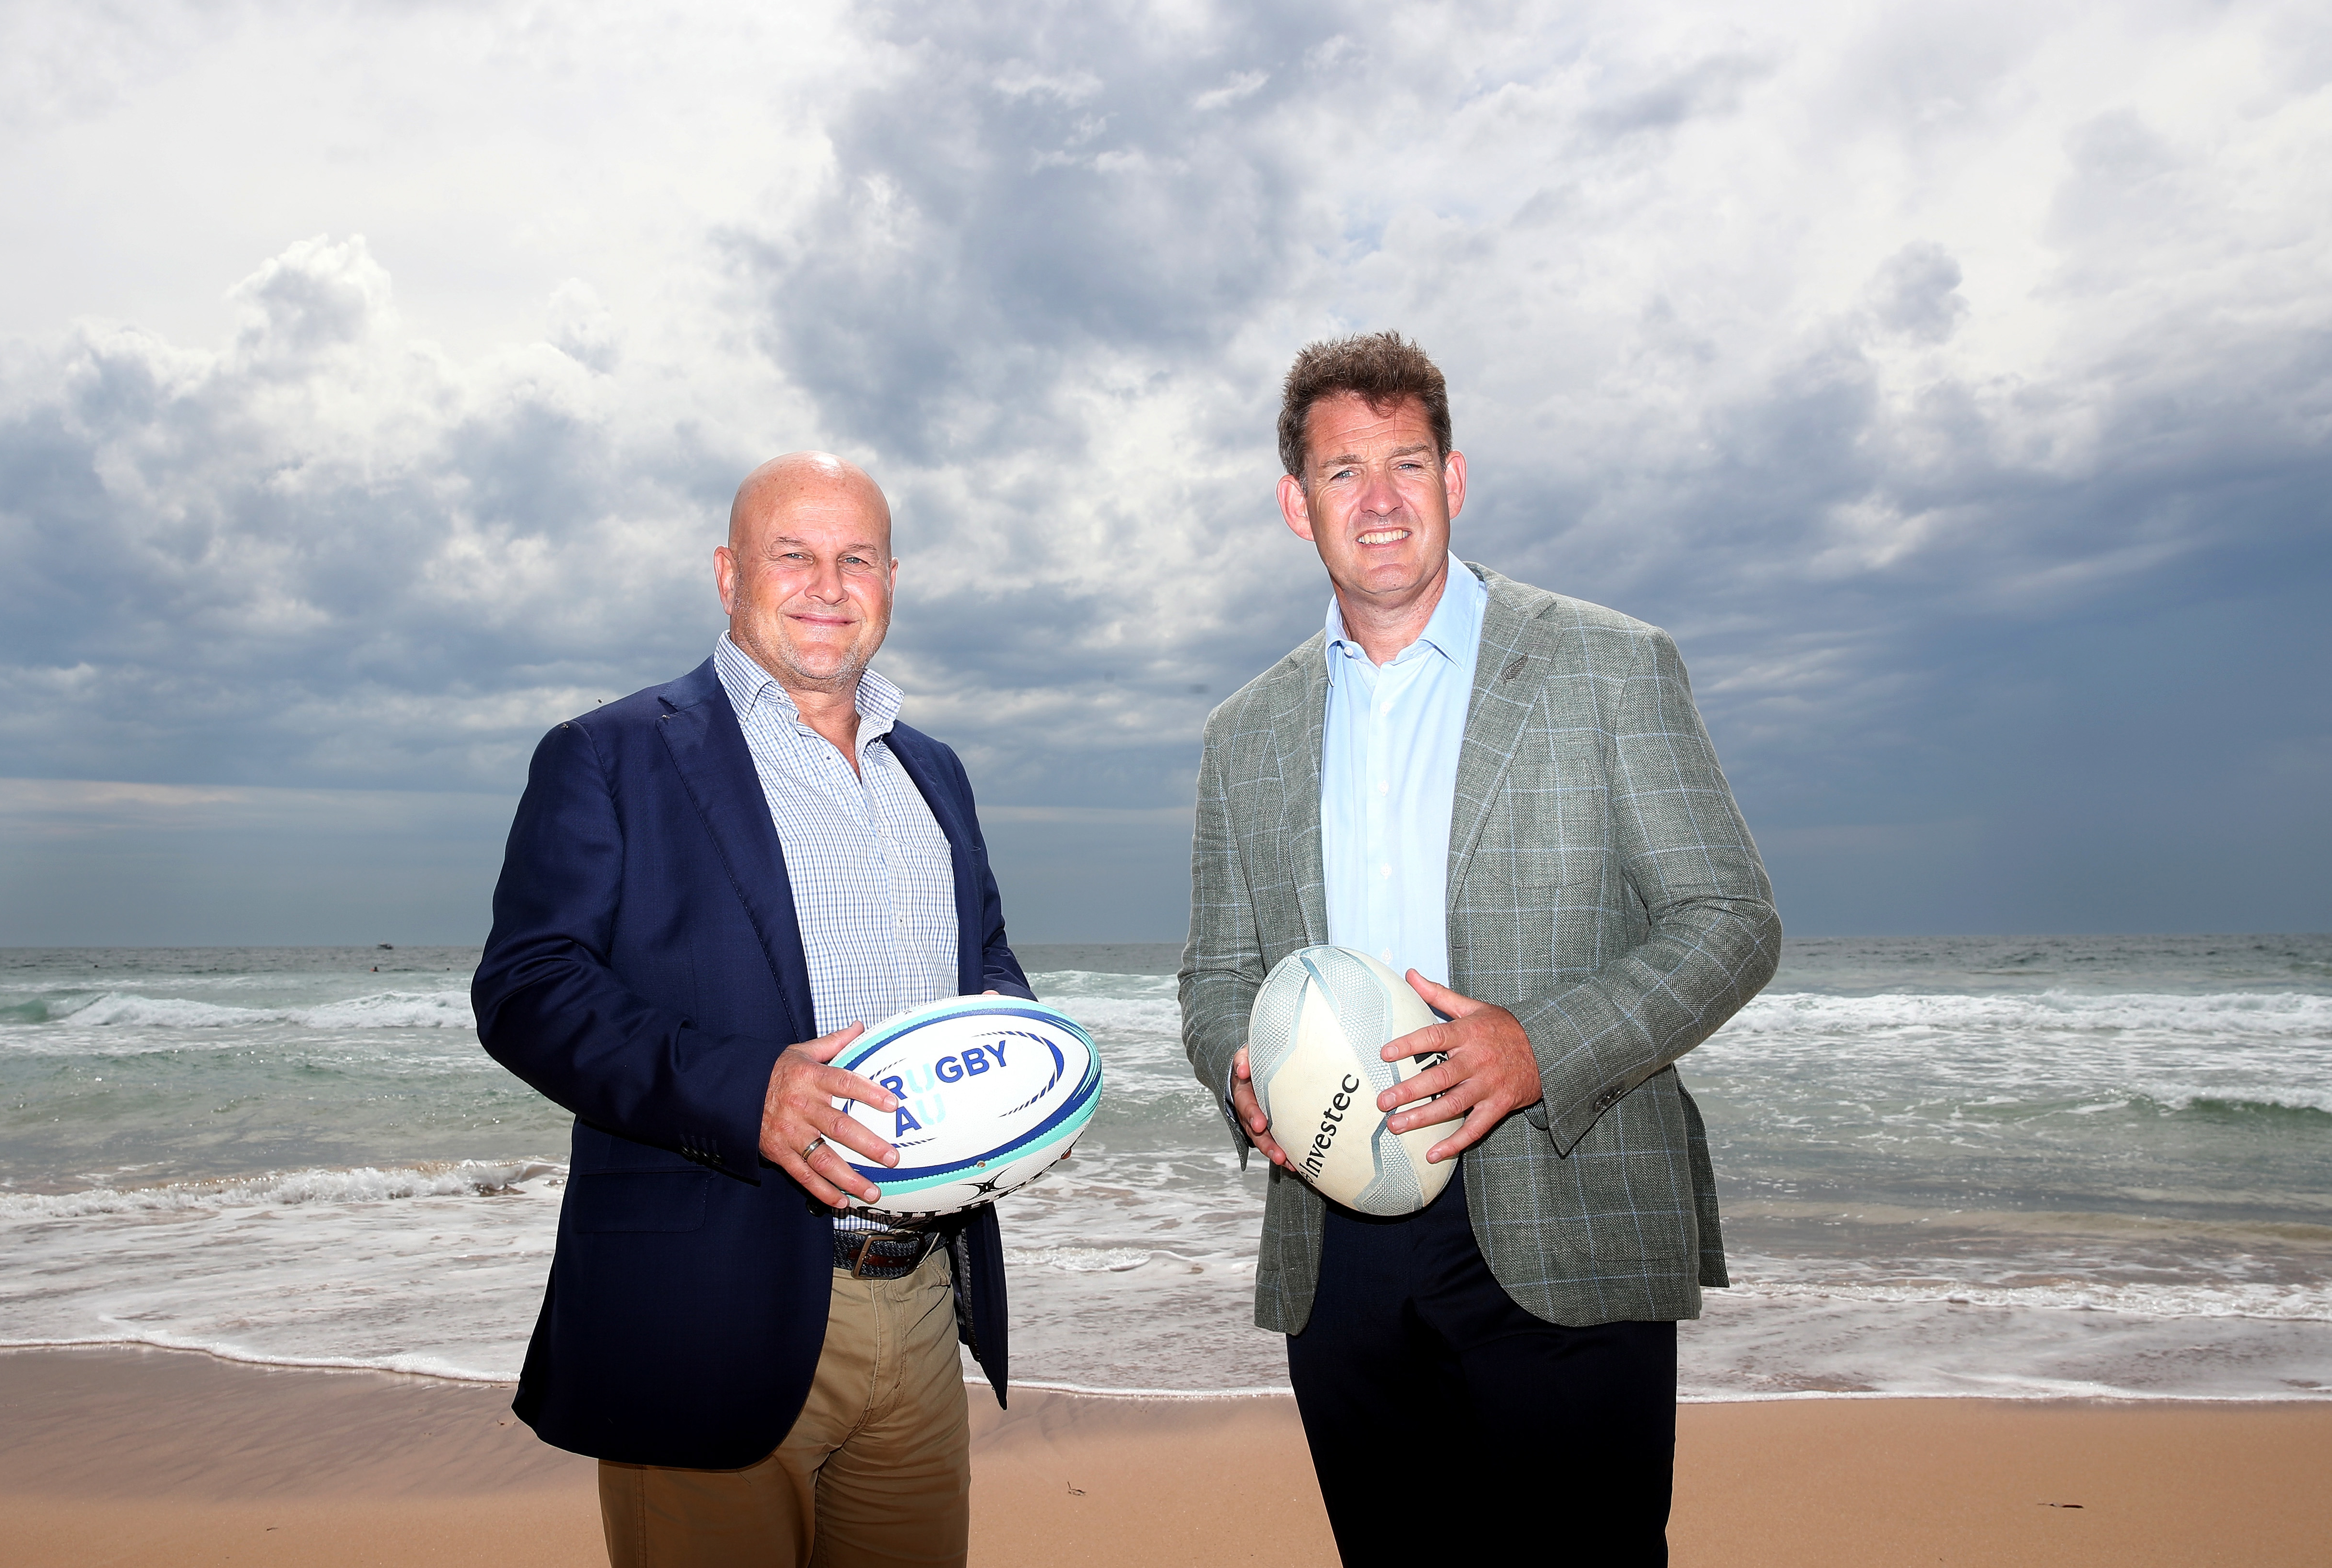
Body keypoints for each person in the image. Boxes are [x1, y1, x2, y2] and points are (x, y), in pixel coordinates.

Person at [1179, 333, 1779, 1565]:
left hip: (1564, 1211)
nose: (1380, 501)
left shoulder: (1608, 664)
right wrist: (1241, 1067)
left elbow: (1729, 919)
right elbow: (1216, 974)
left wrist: (1537, 1048)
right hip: (1336, 1237)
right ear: (1297, 505)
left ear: (1454, 478)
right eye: (1343, 472)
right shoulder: (1244, 732)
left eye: (1407, 463)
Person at [474, 453, 1029, 1568]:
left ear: (891, 581)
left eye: (856, 558)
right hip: (703, 1312)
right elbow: (527, 987)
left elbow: (987, 967)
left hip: (923, 1305)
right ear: (729, 574)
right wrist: (747, 1090)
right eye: (793, 555)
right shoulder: (609, 755)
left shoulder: (934, 772)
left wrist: (1023, 1071)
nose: (827, 584)